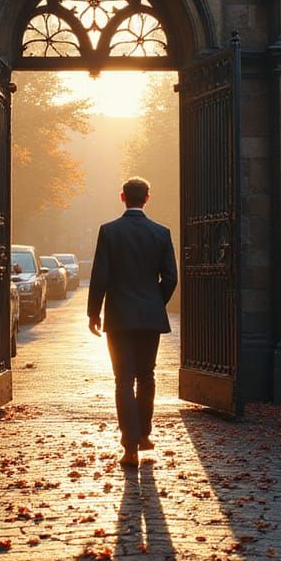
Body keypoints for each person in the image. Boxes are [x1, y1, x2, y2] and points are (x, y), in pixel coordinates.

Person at [87, 176, 178, 469]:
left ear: (122, 197)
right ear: (147, 198)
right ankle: (144, 435)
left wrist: (93, 312)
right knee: (147, 376)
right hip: (149, 317)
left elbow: (100, 275)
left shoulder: (109, 232)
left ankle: (130, 446)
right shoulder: (161, 233)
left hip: (119, 316)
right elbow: (171, 278)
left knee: (123, 380)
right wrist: (155, 303)